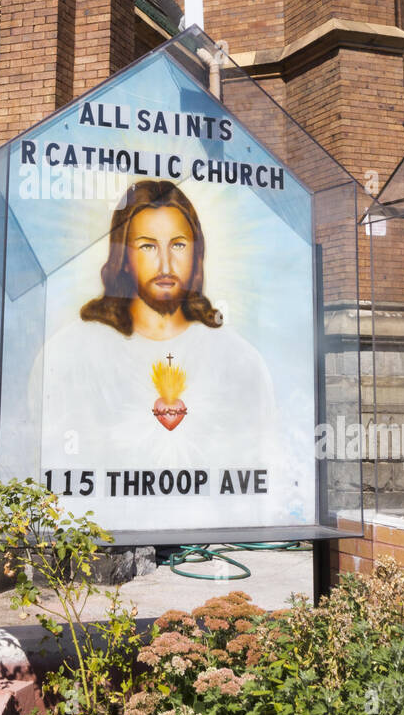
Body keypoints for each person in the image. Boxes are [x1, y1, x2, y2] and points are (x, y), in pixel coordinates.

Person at [38, 180, 292, 522]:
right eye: (147, 246)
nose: (165, 264)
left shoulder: (238, 359)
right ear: (123, 257)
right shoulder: (70, 353)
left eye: (179, 245)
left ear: (196, 253)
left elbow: (264, 466)